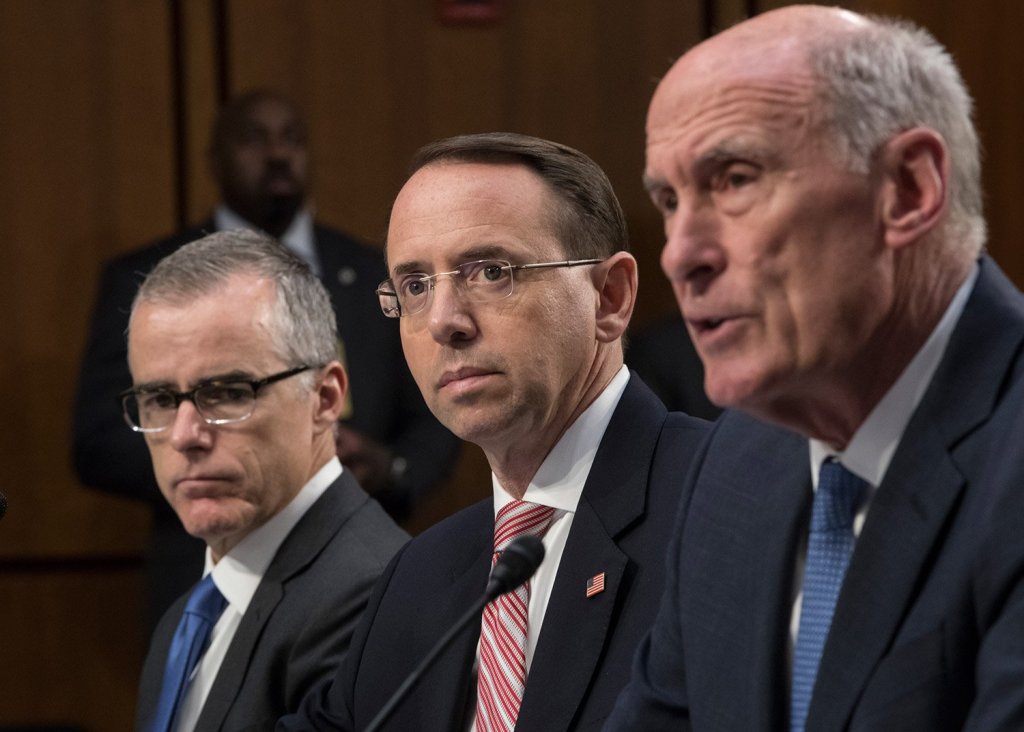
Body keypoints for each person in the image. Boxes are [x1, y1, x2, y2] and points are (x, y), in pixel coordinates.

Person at [607, 6, 1024, 730]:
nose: (679, 253)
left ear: (908, 191)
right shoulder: (733, 464)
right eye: (670, 201)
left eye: (735, 179)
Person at [280, 132, 709, 731]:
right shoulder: (420, 576)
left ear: (609, 298)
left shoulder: (722, 507)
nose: (444, 322)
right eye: (415, 285)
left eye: (491, 271)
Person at [72, 89, 458, 631]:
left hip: (352, 560)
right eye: (254, 139)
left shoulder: (375, 271)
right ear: (215, 159)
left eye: (292, 140)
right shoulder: (145, 278)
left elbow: (432, 407)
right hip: (198, 569)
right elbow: (97, 441)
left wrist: (393, 467)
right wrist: (241, 458)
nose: (278, 155)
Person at [130, 230, 409, 730]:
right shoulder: (185, 617)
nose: (184, 435)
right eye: (160, 400)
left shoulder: (373, 599)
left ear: (325, 399)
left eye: (227, 392)